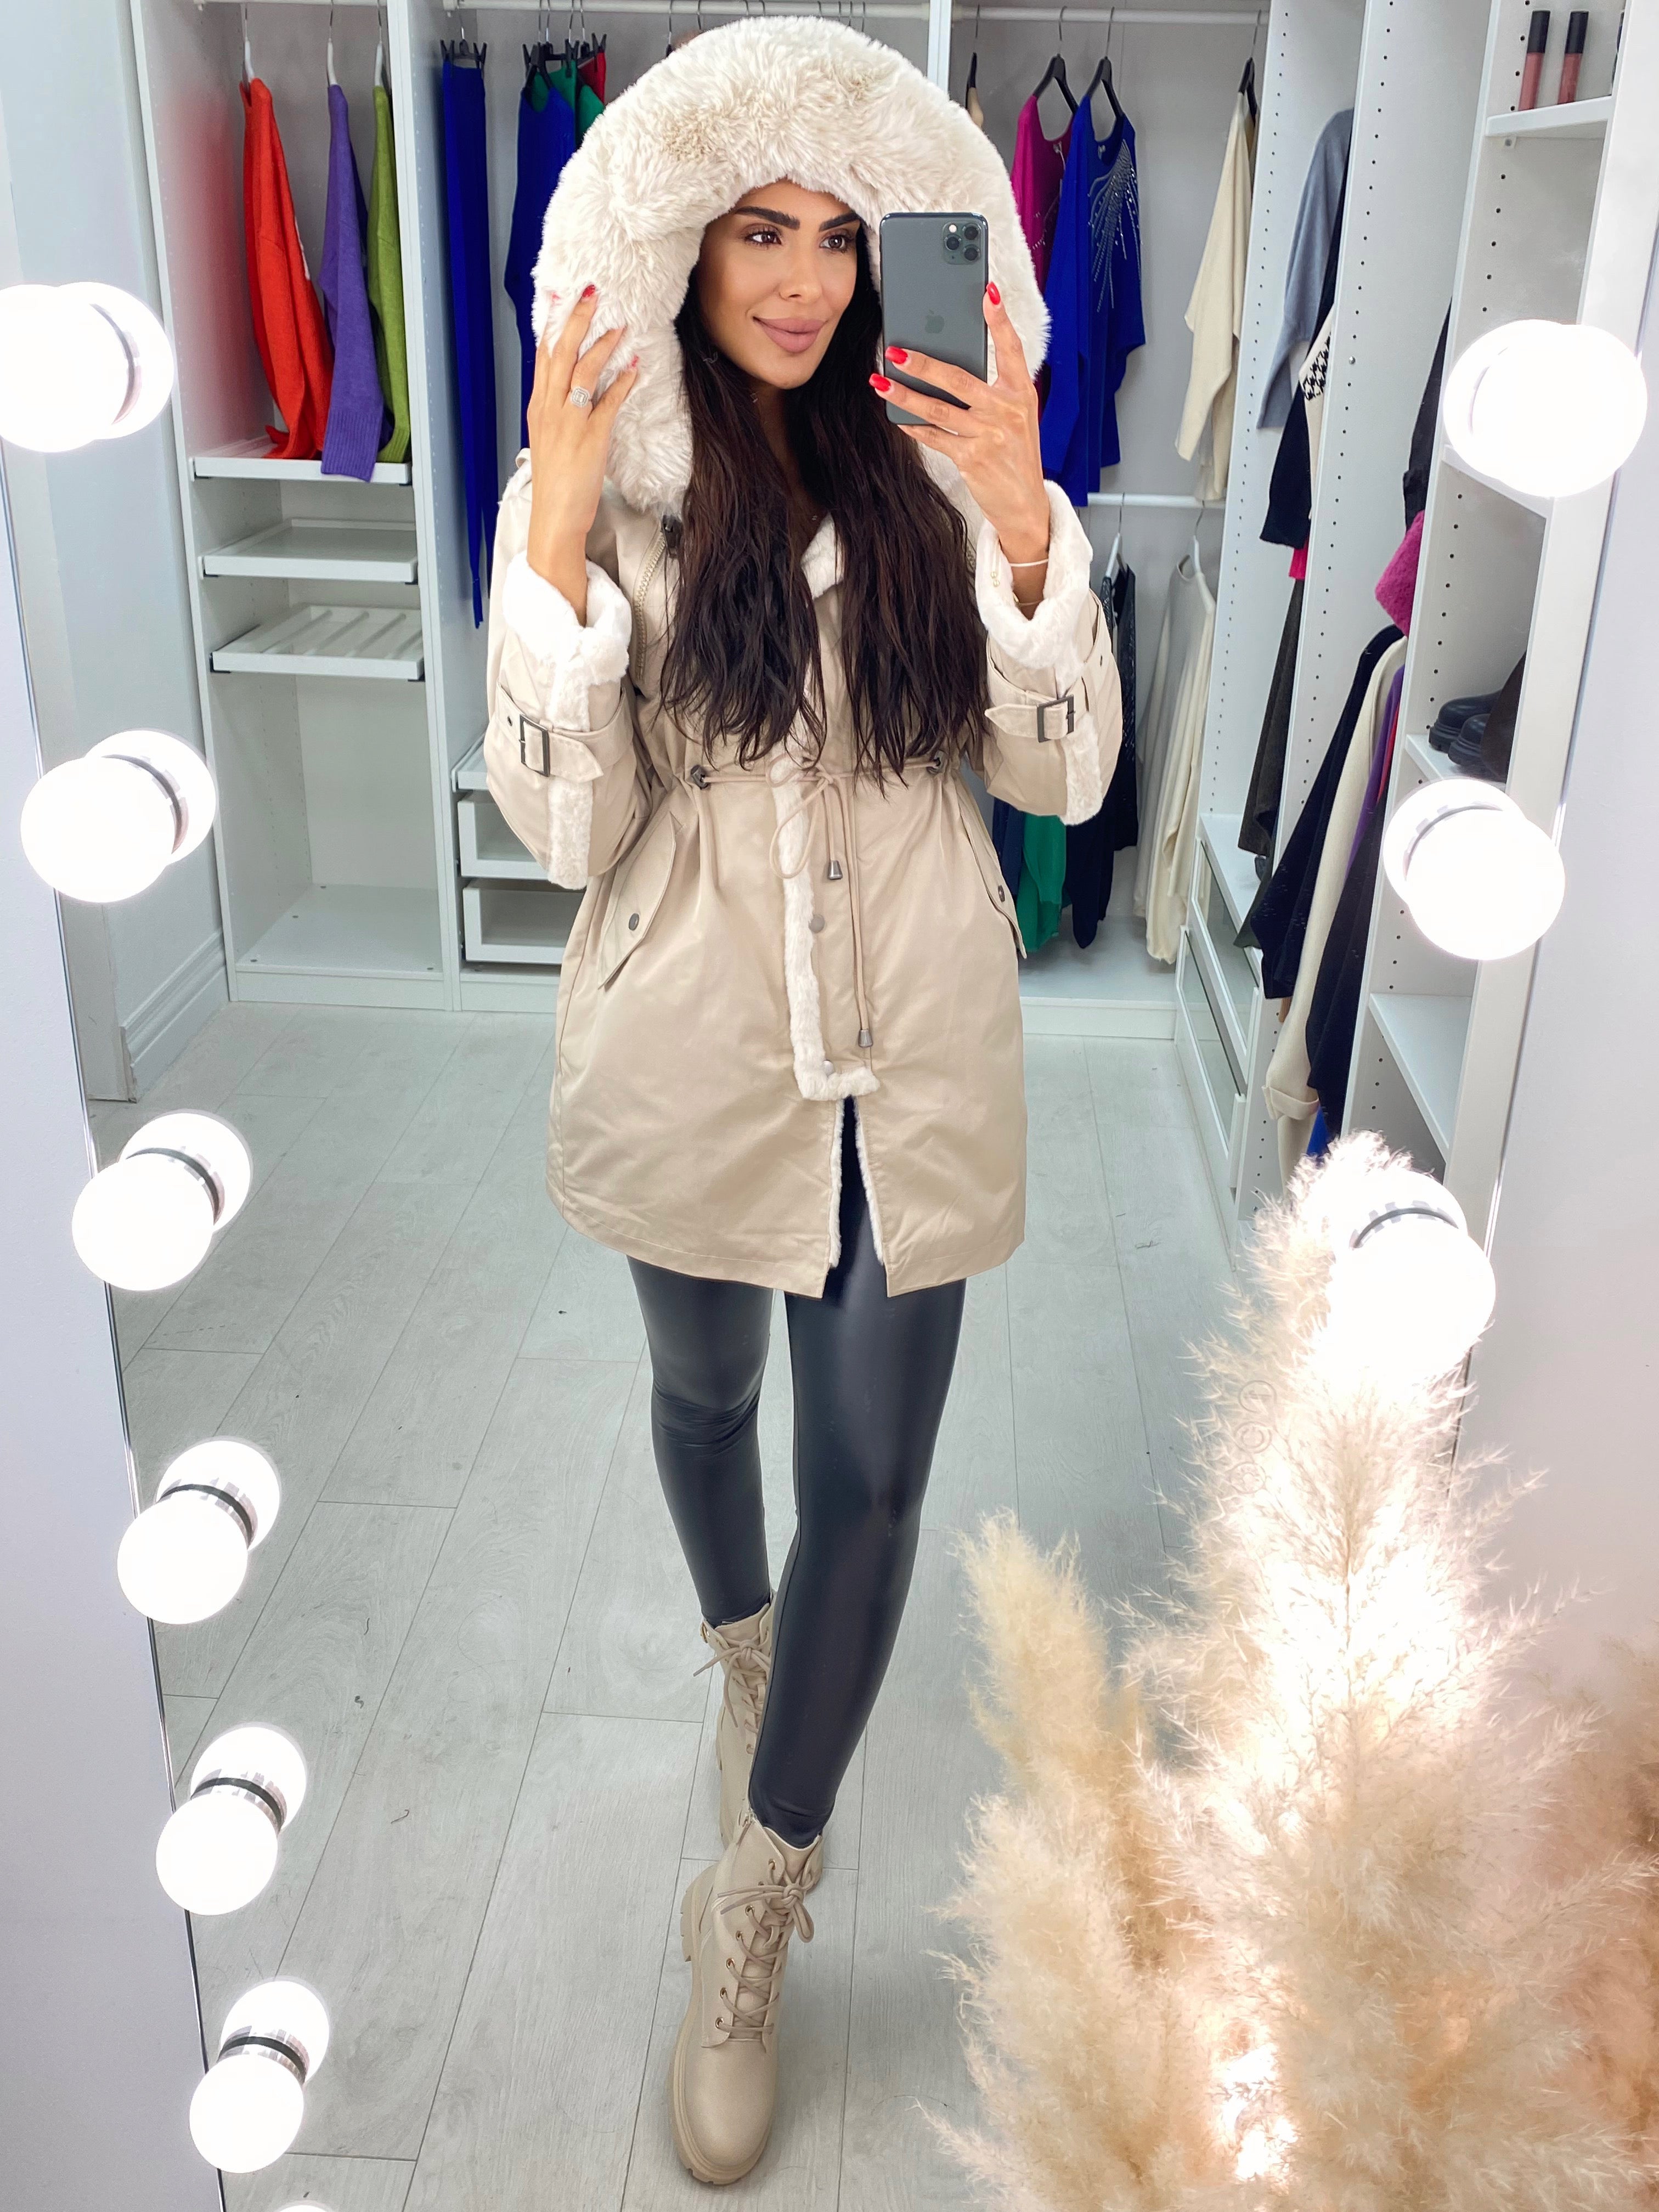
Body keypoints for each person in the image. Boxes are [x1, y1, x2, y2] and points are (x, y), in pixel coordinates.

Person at [483, 18, 1119, 2186]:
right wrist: (555, 544)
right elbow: (566, 832)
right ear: (684, 242)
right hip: (697, 1041)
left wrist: (1023, 521)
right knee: (706, 1398)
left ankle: (755, 1895)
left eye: (841, 235)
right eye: (757, 230)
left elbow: (1065, 777)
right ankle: (744, 1651)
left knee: (873, 1480)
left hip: (910, 1042)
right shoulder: (616, 478)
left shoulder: (944, 457)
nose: (802, 278)